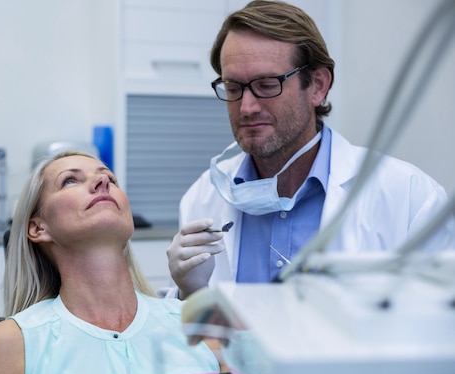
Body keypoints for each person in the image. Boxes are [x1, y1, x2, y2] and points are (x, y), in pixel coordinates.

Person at [167, 0, 455, 299]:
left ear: (317, 85)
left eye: (267, 85)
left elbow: (437, 326)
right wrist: (188, 293)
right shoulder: (203, 199)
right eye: (233, 87)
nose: (247, 107)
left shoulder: (408, 196)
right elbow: (197, 335)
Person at [0, 150, 220, 374]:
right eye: (70, 181)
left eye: (110, 178)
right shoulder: (11, 344)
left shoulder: (194, 325)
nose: (102, 183)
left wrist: (196, 290)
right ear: (38, 228)